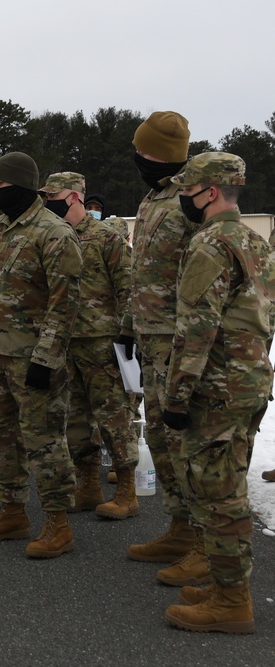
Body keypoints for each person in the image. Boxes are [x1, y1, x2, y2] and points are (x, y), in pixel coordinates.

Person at [161, 152, 273, 634]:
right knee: (228, 481)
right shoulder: (254, 240)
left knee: (217, 492)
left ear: (209, 192)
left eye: (187, 190)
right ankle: (226, 584)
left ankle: (232, 602)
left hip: (217, 386)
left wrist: (177, 396)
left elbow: (195, 329)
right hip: (249, 380)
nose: (183, 198)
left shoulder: (209, 244)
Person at [0, 152, 82, 558]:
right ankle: (12, 512)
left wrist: (46, 359)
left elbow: (64, 305)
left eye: (1, 184)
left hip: (34, 362)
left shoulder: (54, 233)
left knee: (45, 441)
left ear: (25, 185)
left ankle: (58, 523)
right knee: (3, 438)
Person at [122, 112, 203, 582]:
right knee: (158, 435)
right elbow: (144, 270)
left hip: (180, 340)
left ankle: (204, 540)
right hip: (150, 339)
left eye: (147, 152)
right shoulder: (153, 198)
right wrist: (129, 324)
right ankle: (179, 527)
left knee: (184, 441)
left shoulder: (190, 197)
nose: (140, 159)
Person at [39, 172, 139, 519]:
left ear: (74, 197)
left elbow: (128, 287)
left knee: (114, 416)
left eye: (54, 195)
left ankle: (127, 491)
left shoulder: (106, 237)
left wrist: (128, 334)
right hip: (65, 341)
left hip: (101, 341)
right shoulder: (51, 236)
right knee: (75, 419)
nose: (47, 201)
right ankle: (89, 485)